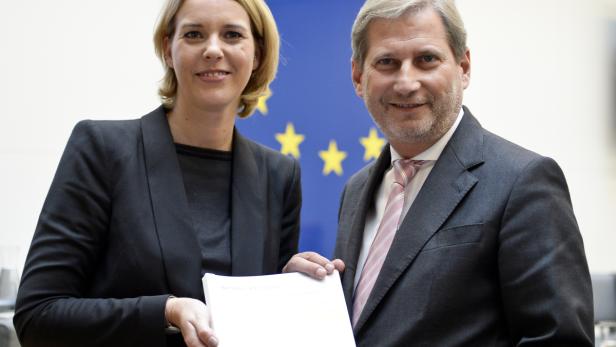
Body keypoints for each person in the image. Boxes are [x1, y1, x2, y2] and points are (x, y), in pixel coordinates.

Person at [284, 0, 594, 345]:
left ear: (463, 66)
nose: (406, 82)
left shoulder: (525, 181)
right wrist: (305, 301)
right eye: (387, 62)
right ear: (359, 76)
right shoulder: (356, 191)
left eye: (426, 60)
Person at [13, 0, 300, 346]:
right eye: (194, 34)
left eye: (232, 35)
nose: (213, 49)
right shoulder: (102, 149)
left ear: (257, 54)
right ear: (168, 49)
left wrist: (295, 290)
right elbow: (38, 314)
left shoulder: (280, 175)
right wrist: (165, 311)